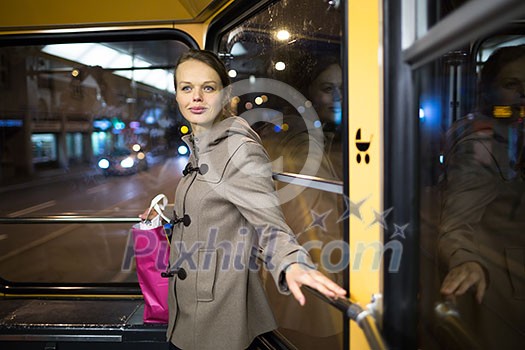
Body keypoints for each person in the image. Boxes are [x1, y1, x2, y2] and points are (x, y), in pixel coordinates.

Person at [141, 49, 346, 350]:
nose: (196, 97)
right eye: (187, 88)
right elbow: (216, 204)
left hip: (215, 320)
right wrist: (168, 213)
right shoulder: (202, 146)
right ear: (177, 97)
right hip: (190, 311)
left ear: (224, 96)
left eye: (208, 88)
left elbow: (270, 225)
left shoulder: (238, 150)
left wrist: (292, 264)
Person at [253, 53, 345, 349]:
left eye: (343, 88)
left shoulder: (316, 134)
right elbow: (311, 220)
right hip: (312, 274)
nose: (339, 97)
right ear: (309, 94)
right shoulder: (302, 141)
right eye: (328, 89)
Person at [438, 44, 525, 349]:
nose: (522, 94)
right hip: (505, 288)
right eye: (511, 84)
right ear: (488, 90)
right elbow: (457, 219)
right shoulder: (481, 141)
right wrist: (464, 259)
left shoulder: (515, 127)